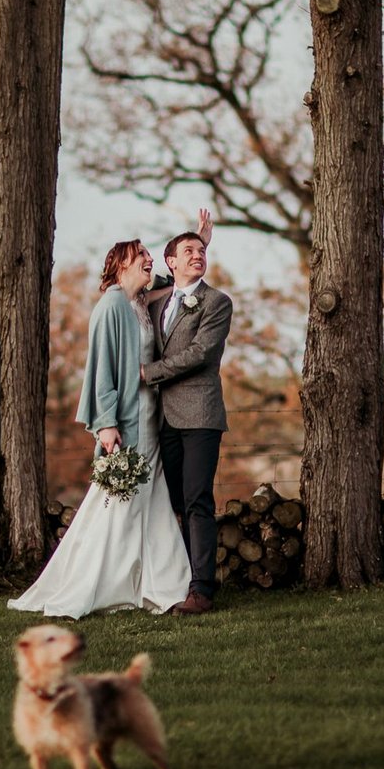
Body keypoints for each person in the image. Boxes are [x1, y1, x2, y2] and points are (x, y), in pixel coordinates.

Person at [8, 239, 191, 619]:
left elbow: (172, 279)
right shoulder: (110, 306)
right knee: (115, 507)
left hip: (150, 421)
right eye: (140, 256)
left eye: (149, 257)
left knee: (152, 503)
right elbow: (101, 371)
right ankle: (90, 584)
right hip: (125, 423)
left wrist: (198, 244)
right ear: (121, 265)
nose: (149, 261)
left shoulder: (140, 304)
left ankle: (163, 586)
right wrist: (105, 424)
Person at [145, 226, 233, 616]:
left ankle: (202, 590)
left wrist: (151, 373)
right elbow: (143, 284)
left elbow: (200, 353)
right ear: (171, 262)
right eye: (189, 251)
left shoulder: (216, 302)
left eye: (203, 251)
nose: (199, 255)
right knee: (174, 501)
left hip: (200, 415)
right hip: (163, 419)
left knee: (197, 501)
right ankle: (178, 578)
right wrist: (194, 243)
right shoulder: (158, 302)